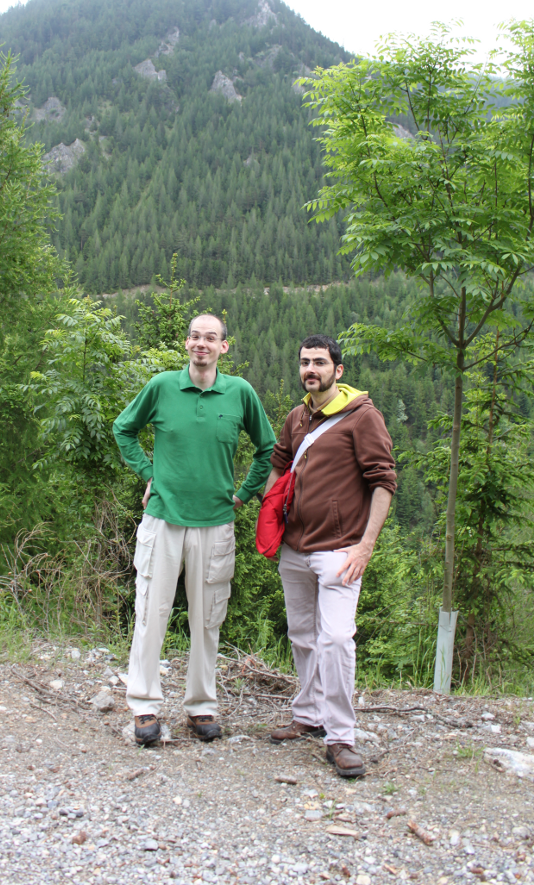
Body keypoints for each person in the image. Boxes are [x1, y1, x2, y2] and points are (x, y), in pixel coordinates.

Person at [113, 314, 276, 745]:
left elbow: (268, 449)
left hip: (215, 523)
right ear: (187, 344)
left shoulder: (240, 392)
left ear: (225, 346)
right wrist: (148, 472)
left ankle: (201, 708)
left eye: (211, 338)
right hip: (163, 519)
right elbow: (123, 429)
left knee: (208, 620)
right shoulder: (162, 386)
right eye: (195, 337)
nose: (201, 344)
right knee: (151, 613)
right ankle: (144, 706)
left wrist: (243, 494)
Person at [265, 334, 396, 776]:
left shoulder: (363, 417)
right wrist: (270, 519)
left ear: (337, 371)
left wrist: (366, 546)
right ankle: (308, 715)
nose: (310, 369)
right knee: (302, 636)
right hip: (295, 547)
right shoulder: (296, 418)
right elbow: (280, 463)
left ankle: (340, 737)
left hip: (341, 551)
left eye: (319, 362)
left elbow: (383, 481)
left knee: (336, 639)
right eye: (305, 362)